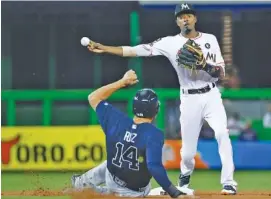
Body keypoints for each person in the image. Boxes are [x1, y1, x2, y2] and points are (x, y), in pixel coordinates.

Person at [85, 3, 237, 195]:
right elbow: (135, 50)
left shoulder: (210, 39)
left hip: (211, 94)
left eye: (188, 15)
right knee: (188, 152)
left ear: (195, 19)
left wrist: (204, 65)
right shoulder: (170, 43)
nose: (185, 18)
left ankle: (229, 182)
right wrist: (105, 48)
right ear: (177, 21)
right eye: (181, 16)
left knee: (222, 134)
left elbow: (221, 73)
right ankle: (184, 179)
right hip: (189, 97)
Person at [71, 69, 189, 198]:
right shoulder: (154, 134)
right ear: (155, 111)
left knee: (111, 164)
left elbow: (93, 97)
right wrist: (174, 193)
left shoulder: (116, 119)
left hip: (111, 174)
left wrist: (122, 82)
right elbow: (154, 166)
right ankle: (100, 193)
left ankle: (82, 183)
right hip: (131, 192)